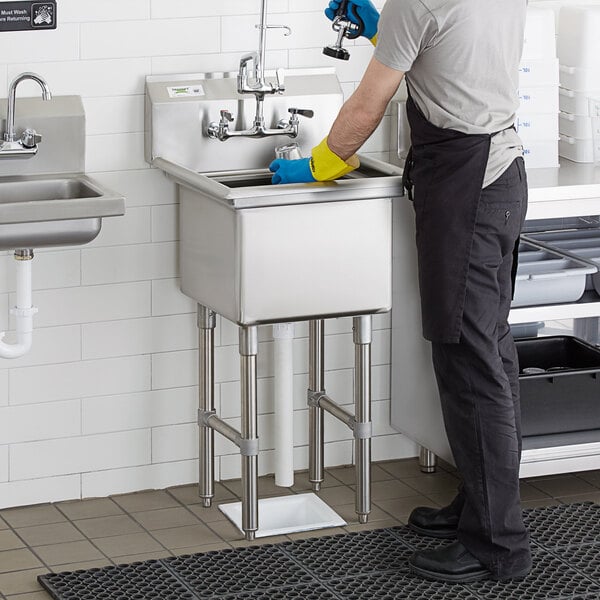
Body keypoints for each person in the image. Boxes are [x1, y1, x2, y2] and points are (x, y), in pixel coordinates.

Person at [270, 0, 532, 585]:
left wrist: (320, 163)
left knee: (472, 364)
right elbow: (454, 62)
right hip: (503, 177)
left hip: (468, 190)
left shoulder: (416, 1)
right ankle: (480, 508)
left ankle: (496, 544)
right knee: (488, 357)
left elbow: (367, 106)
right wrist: (382, 33)